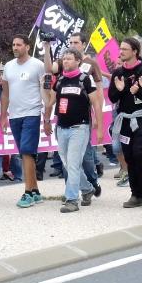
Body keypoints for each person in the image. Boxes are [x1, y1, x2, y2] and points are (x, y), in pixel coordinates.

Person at [44, 48, 105, 212]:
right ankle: (87, 188)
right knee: (68, 163)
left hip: (80, 128)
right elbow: (50, 102)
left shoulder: (85, 79)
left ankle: (72, 200)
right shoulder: (60, 80)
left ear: (78, 61)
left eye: (69, 58)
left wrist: (100, 128)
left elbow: (96, 104)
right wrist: (46, 120)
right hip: (61, 128)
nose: (65, 61)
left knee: (72, 164)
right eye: (64, 59)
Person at [109, 37, 142, 209]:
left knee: (139, 153)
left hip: (141, 117)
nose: (121, 52)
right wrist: (120, 90)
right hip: (124, 119)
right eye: (120, 48)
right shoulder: (118, 73)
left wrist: (138, 92)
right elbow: (112, 98)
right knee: (129, 156)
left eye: (125, 49)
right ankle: (135, 194)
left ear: (135, 51)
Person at [0, 34, 47, 207]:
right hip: (14, 115)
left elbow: (45, 90)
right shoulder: (8, 66)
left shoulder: (38, 65)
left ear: (27, 46)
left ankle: (27, 192)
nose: (15, 47)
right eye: (13, 44)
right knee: (25, 154)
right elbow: (5, 93)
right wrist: (3, 116)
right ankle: (35, 191)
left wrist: (47, 115)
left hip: (32, 113)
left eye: (19, 44)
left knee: (27, 151)